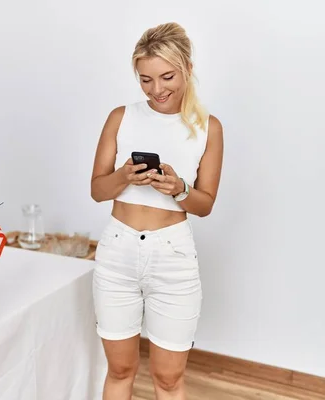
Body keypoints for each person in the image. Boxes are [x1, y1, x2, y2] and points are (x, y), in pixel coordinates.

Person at [90, 22, 224, 400]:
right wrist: (123, 176)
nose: (157, 89)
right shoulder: (121, 116)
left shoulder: (208, 128)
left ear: (188, 69)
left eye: (167, 76)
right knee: (120, 369)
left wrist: (181, 189)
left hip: (173, 256)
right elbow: (97, 190)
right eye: (145, 79)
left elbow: (207, 204)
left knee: (168, 380)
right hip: (118, 252)